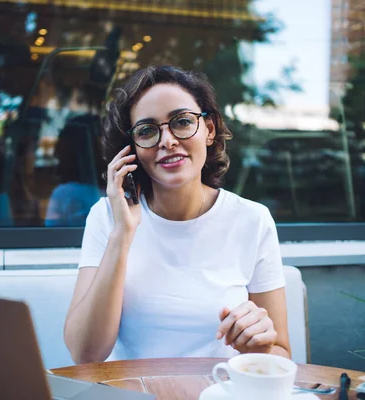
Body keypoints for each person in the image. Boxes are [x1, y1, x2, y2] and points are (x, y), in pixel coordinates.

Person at [63, 66, 291, 364]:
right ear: (132, 149)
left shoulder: (252, 219)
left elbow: (283, 355)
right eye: (147, 130)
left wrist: (259, 349)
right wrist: (122, 234)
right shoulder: (107, 216)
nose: (167, 140)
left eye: (182, 122)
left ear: (209, 130)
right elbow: (86, 354)